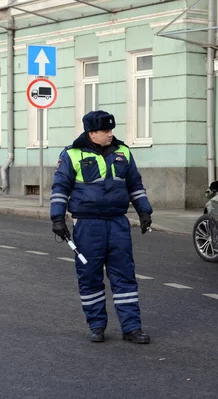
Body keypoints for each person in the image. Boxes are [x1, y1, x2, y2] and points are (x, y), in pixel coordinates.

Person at [50, 110, 153, 344]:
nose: (110, 134)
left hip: (117, 222)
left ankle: (132, 328)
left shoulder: (123, 152)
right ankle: (96, 326)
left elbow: (134, 184)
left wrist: (144, 211)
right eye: (105, 131)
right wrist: (57, 218)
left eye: (111, 130)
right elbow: (60, 188)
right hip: (88, 224)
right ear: (92, 133)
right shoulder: (72, 154)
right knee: (90, 276)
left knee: (125, 276)